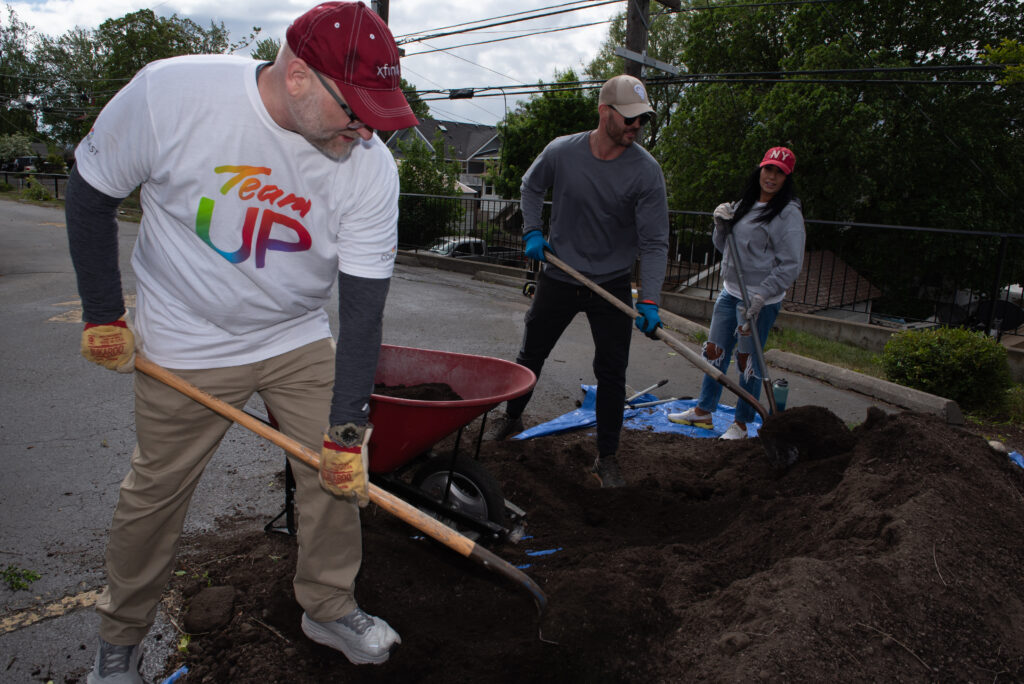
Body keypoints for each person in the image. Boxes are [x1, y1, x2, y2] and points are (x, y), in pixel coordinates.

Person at [66, 3, 419, 681]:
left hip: (294, 334)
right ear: (297, 77)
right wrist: (104, 314)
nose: (366, 130)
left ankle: (328, 604)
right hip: (185, 335)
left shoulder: (370, 168)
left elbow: (364, 308)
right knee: (156, 492)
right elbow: (89, 194)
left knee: (336, 477)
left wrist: (347, 430)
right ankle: (120, 641)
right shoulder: (172, 97)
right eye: (355, 110)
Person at [484, 74, 670, 488]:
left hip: (613, 283)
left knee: (612, 373)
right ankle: (511, 418)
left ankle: (607, 457)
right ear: (604, 112)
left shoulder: (646, 172)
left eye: (642, 121)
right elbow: (531, 186)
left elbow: (656, 241)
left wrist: (651, 301)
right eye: (629, 119)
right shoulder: (562, 152)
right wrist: (532, 230)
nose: (636, 128)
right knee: (532, 353)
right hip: (561, 273)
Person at [668, 146, 805, 439]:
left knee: (748, 363)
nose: (771, 177)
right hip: (731, 292)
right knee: (715, 353)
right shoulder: (745, 203)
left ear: (786, 178)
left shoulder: (787, 214)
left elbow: (791, 264)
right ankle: (703, 412)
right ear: (760, 169)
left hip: (760, 301)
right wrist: (719, 226)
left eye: (779, 173)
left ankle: (742, 424)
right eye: (768, 169)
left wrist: (762, 294)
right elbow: (725, 248)